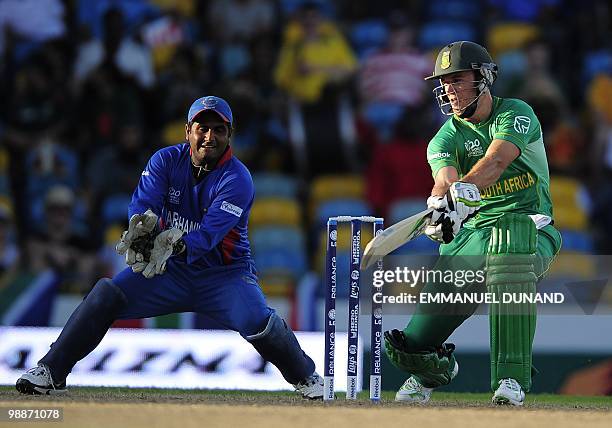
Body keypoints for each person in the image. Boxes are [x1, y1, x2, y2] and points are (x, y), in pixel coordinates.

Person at [15, 96, 324, 399]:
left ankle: (307, 377)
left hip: (223, 274)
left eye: (219, 129)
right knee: (106, 293)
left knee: (258, 322)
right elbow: (142, 207)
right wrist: (141, 230)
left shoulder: (238, 179)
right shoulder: (164, 160)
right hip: (168, 271)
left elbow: (207, 237)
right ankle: (51, 372)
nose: (209, 136)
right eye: (202, 128)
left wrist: (169, 246)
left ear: (229, 135)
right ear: (187, 130)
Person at [383, 41, 562, 406]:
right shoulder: (444, 136)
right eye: (443, 82)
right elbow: (444, 178)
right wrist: (439, 206)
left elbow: (496, 162)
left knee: (509, 248)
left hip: (530, 229)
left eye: (457, 79)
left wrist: (462, 194)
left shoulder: (516, 113)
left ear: (484, 78)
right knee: (411, 344)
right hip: (473, 237)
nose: (448, 88)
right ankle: (431, 372)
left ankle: (511, 379)